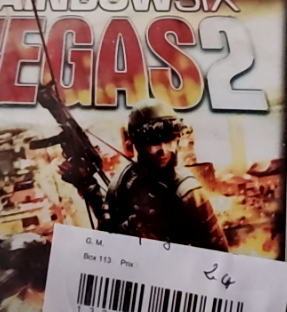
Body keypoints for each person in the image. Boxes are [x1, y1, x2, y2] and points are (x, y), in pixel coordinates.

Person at [58, 99, 228, 252]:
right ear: (137, 142)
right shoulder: (124, 179)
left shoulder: (187, 191)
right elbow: (108, 227)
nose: (163, 150)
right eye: (153, 142)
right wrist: (86, 183)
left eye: (169, 139)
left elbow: (217, 255)